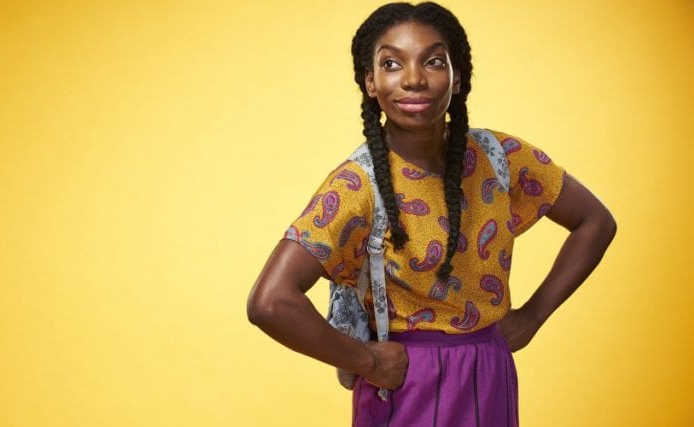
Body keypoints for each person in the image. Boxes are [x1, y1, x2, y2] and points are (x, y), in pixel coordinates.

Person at [247, 2, 617, 426]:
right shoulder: (356, 186)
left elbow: (595, 221)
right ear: (370, 81)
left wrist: (533, 316)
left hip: (489, 373)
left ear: (457, 78)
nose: (413, 79)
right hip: (406, 381)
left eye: (434, 61)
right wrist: (368, 361)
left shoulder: (501, 157)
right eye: (391, 64)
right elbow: (270, 302)